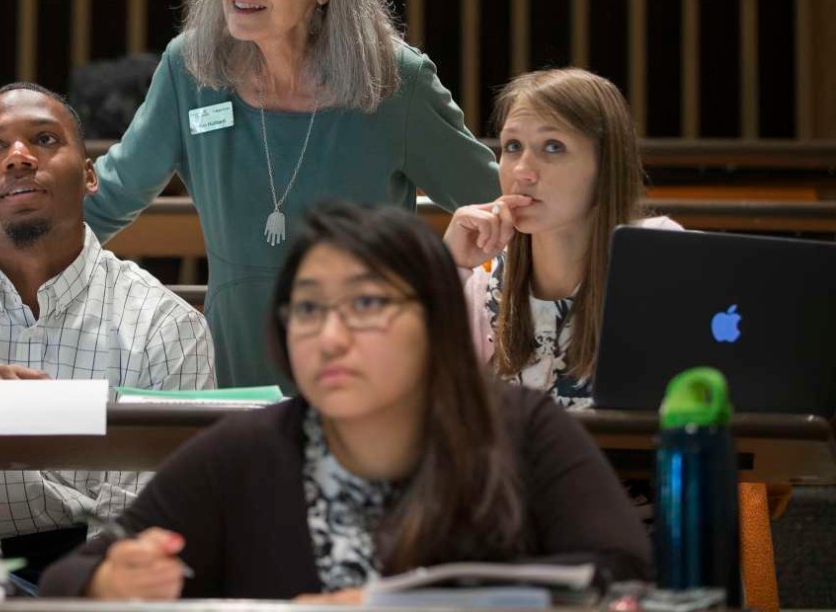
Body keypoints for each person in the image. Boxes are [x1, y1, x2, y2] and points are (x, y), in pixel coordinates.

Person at [40, 202, 651, 601]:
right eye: (308, 308)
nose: (330, 337)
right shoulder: (245, 451)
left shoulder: (520, 428)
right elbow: (67, 577)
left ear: (434, 315)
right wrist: (108, 580)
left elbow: (621, 570)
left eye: (366, 305)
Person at [84, 0, 499, 389]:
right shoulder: (191, 70)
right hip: (235, 369)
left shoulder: (394, 82)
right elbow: (109, 197)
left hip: (367, 365)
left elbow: (494, 202)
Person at [0, 83, 214, 578]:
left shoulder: (165, 325)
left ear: (90, 176)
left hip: (85, 573)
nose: (18, 157)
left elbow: (141, 520)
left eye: (45, 140)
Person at [441, 68, 680, 407]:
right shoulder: (486, 277)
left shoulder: (659, 254)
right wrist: (449, 267)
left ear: (605, 165)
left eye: (553, 147)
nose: (522, 170)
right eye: (512, 146)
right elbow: (418, 396)